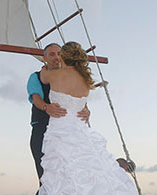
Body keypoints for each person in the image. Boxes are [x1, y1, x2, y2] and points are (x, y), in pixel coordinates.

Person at [38, 42, 138, 195]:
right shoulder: (85, 80)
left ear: (64, 56)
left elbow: (43, 77)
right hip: (80, 127)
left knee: (63, 170)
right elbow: (80, 104)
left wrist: (44, 66)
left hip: (61, 128)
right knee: (93, 166)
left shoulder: (53, 74)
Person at [27, 43, 90, 191]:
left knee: (75, 176)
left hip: (70, 134)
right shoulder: (36, 76)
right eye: (52, 54)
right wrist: (46, 107)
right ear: (44, 58)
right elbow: (36, 98)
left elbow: (79, 100)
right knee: (48, 178)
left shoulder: (72, 76)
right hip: (43, 130)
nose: (56, 57)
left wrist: (87, 111)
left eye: (59, 53)